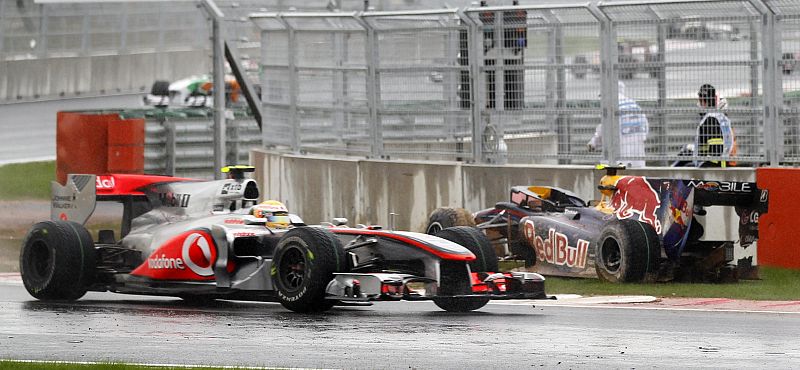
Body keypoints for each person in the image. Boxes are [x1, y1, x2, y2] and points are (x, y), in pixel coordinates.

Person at [587, 81, 649, 168]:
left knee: (613, 173)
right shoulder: (633, 104)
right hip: (638, 148)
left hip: (620, 148)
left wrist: (593, 143)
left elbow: (604, 128)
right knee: (637, 176)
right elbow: (646, 126)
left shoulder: (611, 105)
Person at [693, 83, 736, 167]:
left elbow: (716, 150)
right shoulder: (722, 118)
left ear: (703, 100)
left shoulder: (710, 120)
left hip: (713, 168)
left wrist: (703, 165)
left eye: (700, 100)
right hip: (723, 165)